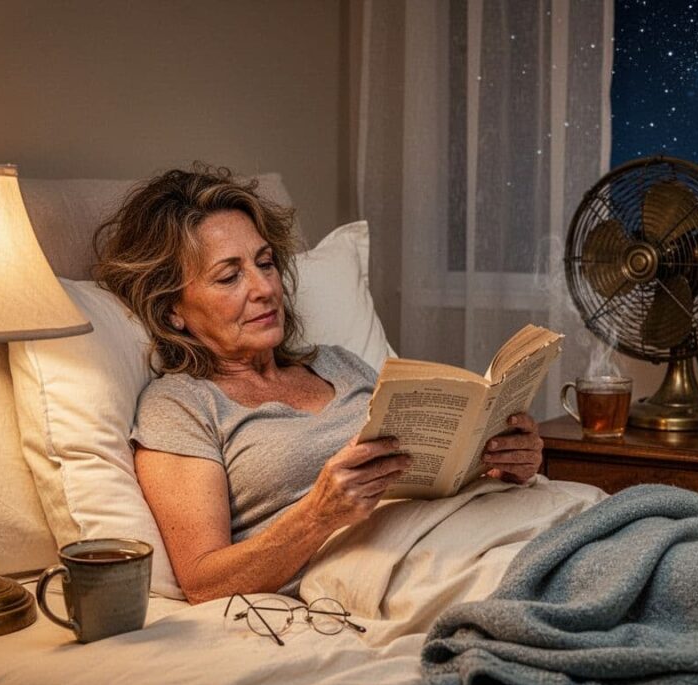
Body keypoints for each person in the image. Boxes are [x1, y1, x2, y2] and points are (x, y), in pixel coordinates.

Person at [94, 165, 544, 604]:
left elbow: (428, 476)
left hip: (472, 526)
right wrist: (318, 515)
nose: (265, 288)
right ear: (173, 308)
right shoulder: (181, 405)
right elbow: (203, 582)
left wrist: (504, 465)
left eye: (265, 263)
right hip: (400, 564)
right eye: (230, 276)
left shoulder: (340, 364)